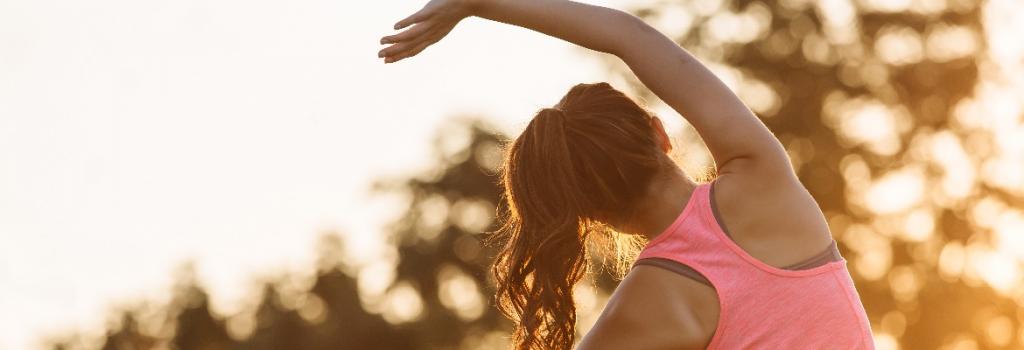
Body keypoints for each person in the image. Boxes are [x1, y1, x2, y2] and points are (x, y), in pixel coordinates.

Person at [378, 0, 875, 349]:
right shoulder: (761, 180)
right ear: (659, 132)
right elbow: (627, 36)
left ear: (591, 215)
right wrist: (477, 2)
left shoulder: (646, 301)